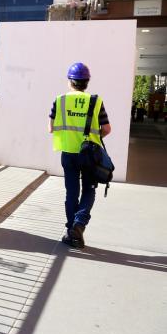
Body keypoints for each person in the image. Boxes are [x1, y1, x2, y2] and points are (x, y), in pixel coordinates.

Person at [49, 62, 111, 249]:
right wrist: (93, 137)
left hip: (68, 153)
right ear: (87, 82)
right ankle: (79, 225)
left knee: (72, 192)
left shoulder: (59, 100)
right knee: (89, 190)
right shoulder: (95, 101)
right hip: (90, 155)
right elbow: (107, 129)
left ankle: (72, 230)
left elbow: (51, 128)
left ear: (70, 81)